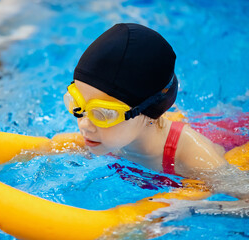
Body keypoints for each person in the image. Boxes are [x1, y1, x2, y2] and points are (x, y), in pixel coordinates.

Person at [61, 23, 249, 199]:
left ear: (147, 110)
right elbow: (51, 146)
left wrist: (183, 207)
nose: (84, 124)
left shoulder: (194, 157)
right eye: (77, 105)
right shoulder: (112, 135)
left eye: (102, 114)